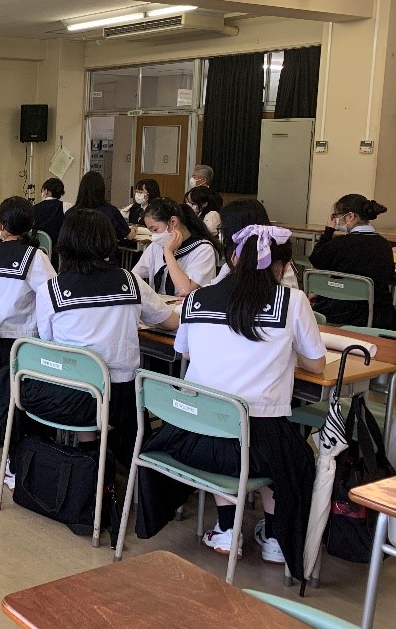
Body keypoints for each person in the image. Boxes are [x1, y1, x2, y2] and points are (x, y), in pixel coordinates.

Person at [135, 224, 326, 580]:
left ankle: (226, 529)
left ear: (234, 259)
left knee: (228, 424)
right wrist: (289, 352)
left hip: (191, 438)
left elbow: (184, 352)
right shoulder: (292, 301)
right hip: (257, 445)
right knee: (287, 454)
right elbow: (317, 365)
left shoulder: (197, 299)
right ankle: (274, 538)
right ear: (283, 266)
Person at [28, 209, 178, 458]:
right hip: (121, 397)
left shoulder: (50, 290)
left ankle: (88, 452)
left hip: (69, 396)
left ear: (66, 242)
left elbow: (48, 341)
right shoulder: (130, 282)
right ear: (108, 241)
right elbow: (170, 322)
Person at [0, 197, 56, 445]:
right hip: (16, 348)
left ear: (0, 224)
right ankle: (2, 422)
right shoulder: (34, 257)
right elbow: (52, 295)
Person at [309, 194, 396, 329]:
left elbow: (316, 259)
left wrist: (329, 231)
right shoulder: (385, 245)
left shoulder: (339, 244)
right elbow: (387, 276)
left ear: (350, 216)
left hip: (337, 313)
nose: (336, 219)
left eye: (337, 215)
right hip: (377, 317)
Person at [131, 197, 218, 295]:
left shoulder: (203, 249)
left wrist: (168, 253)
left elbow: (186, 290)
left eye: (155, 229)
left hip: (186, 304)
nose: (154, 235)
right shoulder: (157, 245)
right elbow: (134, 275)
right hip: (159, 302)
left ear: (173, 222)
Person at [208, 199, 298, 288]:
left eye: (223, 228)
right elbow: (213, 287)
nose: (221, 233)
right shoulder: (234, 259)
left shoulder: (276, 265)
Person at [74, 171, 129, 241]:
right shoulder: (111, 211)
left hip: (76, 248)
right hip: (104, 247)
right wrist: (134, 230)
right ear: (102, 190)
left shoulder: (71, 213)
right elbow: (128, 235)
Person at [32, 178, 68, 248]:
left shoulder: (34, 208)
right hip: (58, 247)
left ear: (45, 191)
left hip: (38, 247)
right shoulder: (65, 206)